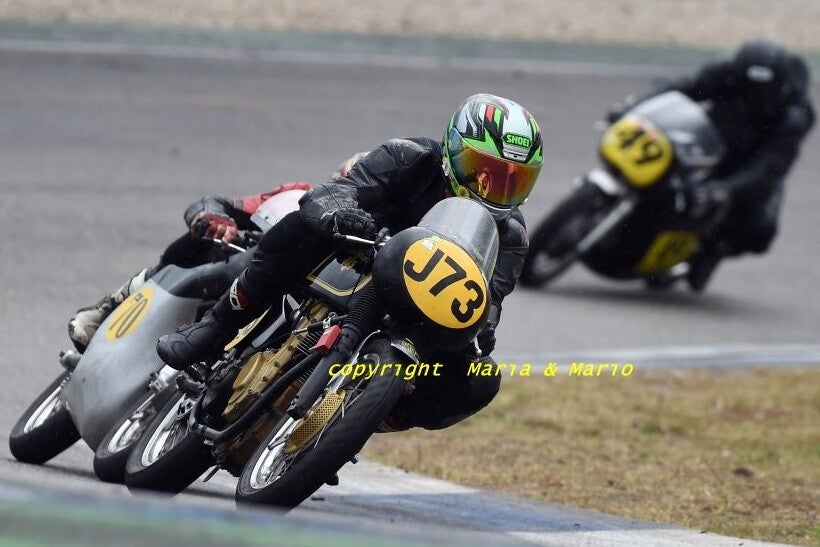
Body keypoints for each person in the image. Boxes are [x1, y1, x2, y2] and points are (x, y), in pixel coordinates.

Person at [156, 93, 544, 431]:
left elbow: (489, 301)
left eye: (514, 182)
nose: (496, 191)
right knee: (301, 227)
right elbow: (332, 194)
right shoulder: (408, 156)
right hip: (352, 256)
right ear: (455, 152)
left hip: (417, 306)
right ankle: (216, 327)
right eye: (486, 174)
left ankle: (369, 414)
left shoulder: (511, 236)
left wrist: (480, 330)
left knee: (481, 377)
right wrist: (341, 215)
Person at [609, 39, 814, 291]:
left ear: (779, 86)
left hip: (751, 163)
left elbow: (769, 167)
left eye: (762, 92)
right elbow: (681, 88)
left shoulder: (795, 114)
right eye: (748, 88)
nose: (754, 97)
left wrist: (725, 189)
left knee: (761, 228)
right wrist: (633, 108)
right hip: (707, 137)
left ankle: (712, 250)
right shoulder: (727, 71)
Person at [67, 182, 313, 352]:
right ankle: (113, 306)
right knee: (206, 242)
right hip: (239, 281)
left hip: (287, 314)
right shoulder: (299, 196)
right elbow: (216, 204)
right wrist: (211, 217)